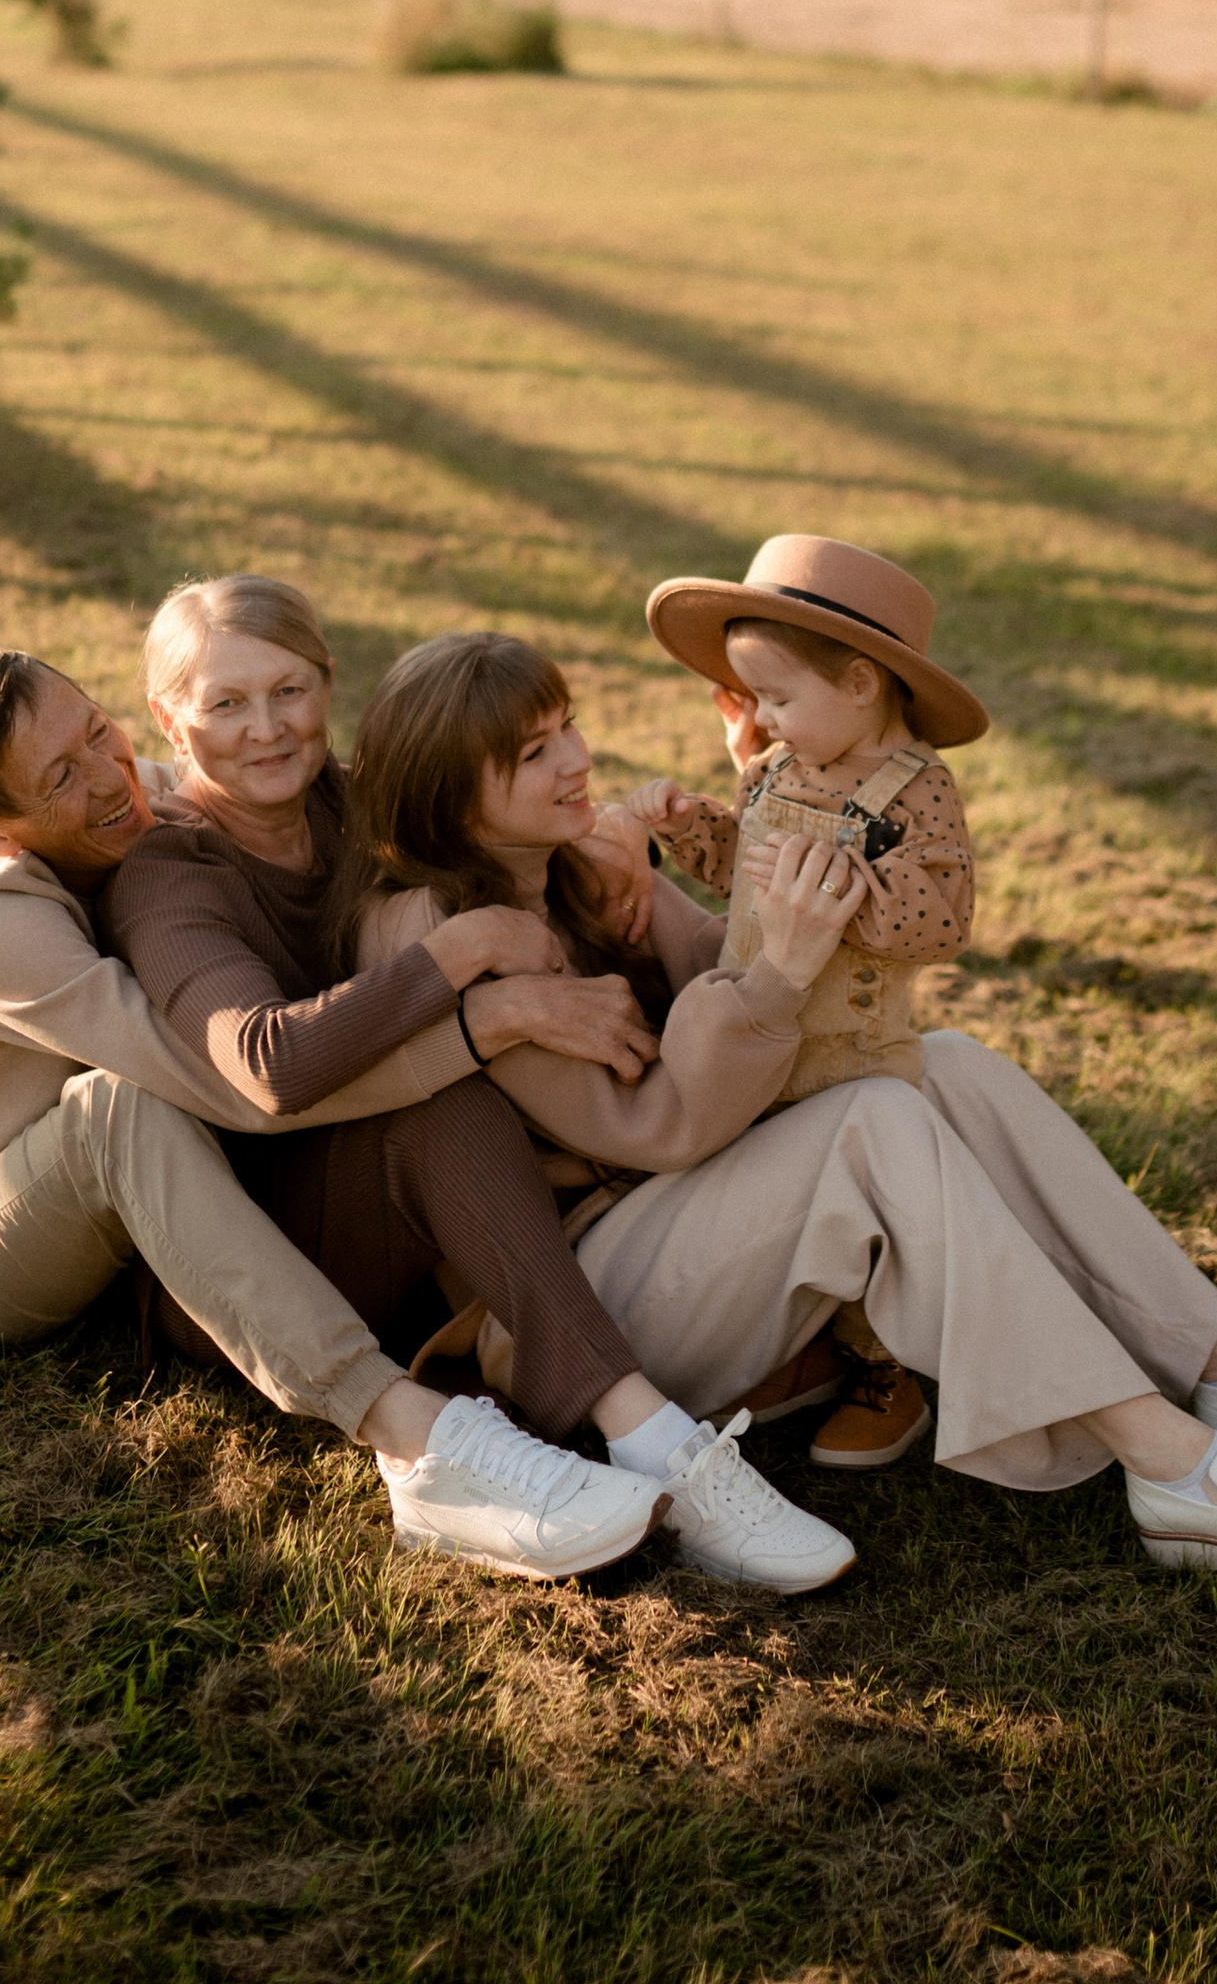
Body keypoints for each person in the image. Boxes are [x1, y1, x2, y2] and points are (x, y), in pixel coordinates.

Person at [340, 630, 1217, 1582]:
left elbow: (716, 974)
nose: (580, 758)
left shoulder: (569, 865)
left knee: (950, 1064)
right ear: (451, 796)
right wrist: (777, 972)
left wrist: (718, 866)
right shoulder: (445, 937)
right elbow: (665, 1126)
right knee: (873, 1120)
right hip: (599, 1306)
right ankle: (1168, 1464)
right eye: (536, 753)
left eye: (568, 726)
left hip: (696, 1229)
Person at [0, 645, 680, 1582]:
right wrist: (480, 1021)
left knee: (237, 1114)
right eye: (60, 778)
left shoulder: (146, 795)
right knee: (116, 1111)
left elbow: (434, 811)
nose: (109, 777)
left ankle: (623, 1408)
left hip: (146, 1218)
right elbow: (243, 1088)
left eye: (96, 731)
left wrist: (600, 838)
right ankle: (416, 1438)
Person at [98, 576, 860, 1596]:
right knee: (442, 1097)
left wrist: (614, 831)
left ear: (329, 683)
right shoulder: (171, 870)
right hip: (256, 1255)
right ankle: (645, 1434)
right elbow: (269, 1065)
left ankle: (634, 1396)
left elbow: (490, 814)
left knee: (452, 1099)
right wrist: (465, 968)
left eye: (289, 690)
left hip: (415, 1232)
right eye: (225, 703)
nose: (267, 728)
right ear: (167, 717)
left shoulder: (349, 801)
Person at [624, 532, 988, 1475]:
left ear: (863, 684)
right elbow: (736, 870)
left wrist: (844, 890)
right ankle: (792, 1348)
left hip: (851, 1056)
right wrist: (689, 827)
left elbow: (941, 920)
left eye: (780, 699)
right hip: (755, 1034)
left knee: (867, 1223)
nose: (766, 722)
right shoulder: (777, 773)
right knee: (772, 1212)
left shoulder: (918, 795)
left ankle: (884, 1372)